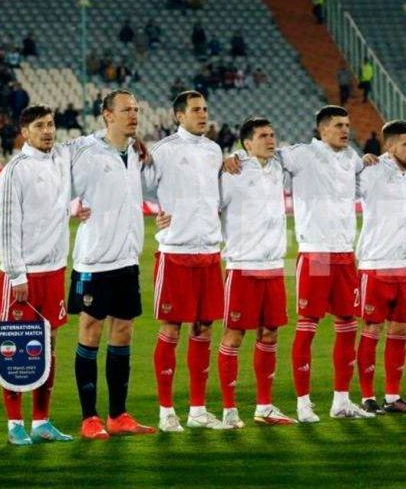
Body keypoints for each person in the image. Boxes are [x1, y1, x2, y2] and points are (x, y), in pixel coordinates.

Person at [224, 106, 375, 422]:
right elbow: (267, 155)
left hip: (345, 255)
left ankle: (341, 401)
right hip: (316, 253)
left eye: (347, 125)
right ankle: (303, 404)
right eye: (338, 126)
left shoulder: (351, 159)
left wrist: (371, 161)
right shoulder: (300, 155)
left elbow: (365, 181)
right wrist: (232, 157)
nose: (345, 130)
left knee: (348, 325)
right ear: (322, 130)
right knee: (308, 326)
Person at [68, 89, 155, 439]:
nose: (133, 115)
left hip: (126, 259)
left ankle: (118, 415)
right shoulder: (85, 151)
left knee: (123, 332)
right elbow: (61, 189)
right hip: (94, 259)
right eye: (126, 110)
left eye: (136, 109)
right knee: (90, 332)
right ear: (107, 115)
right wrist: (72, 209)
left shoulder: (135, 153)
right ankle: (89, 418)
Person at [143, 91, 230, 432]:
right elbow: (140, 188)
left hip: (209, 251)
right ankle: (166, 411)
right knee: (171, 328)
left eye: (205, 108)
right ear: (179, 116)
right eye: (196, 110)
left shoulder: (214, 151)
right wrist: (158, 213)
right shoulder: (163, 151)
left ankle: (197, 409)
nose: (203, 114)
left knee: (204, 328)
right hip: (175, 252)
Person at [0, 105, 79, 445]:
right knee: (14, 346)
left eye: (51, 124)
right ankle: (15, 424)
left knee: (48, 347)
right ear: (25, 132)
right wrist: (17, 275)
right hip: (23, 276)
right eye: (40, 126)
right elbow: (7, 227)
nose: (48, 131)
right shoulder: (14, 171)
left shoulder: (59, 159)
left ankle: (41, 421)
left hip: (54, 271)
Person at [217, 117, 296, 425]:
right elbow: (210, 206)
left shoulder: (278, 169)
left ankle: (265, 407)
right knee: (234, 335)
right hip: (242, 266)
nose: (271, 140)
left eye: (273, 135)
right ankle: (228, 410)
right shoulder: (232, 173)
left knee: (270, 333)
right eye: (263, 136)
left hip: (274, 267)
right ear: (247, 144)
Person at [355, 121, 406, 414]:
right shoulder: (371, 172)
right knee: (372, 329)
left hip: (404, 265)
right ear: (390, 146)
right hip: (376, 264)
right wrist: (358, 162)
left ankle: (393, 397)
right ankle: (367, 397)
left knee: (400, 331)